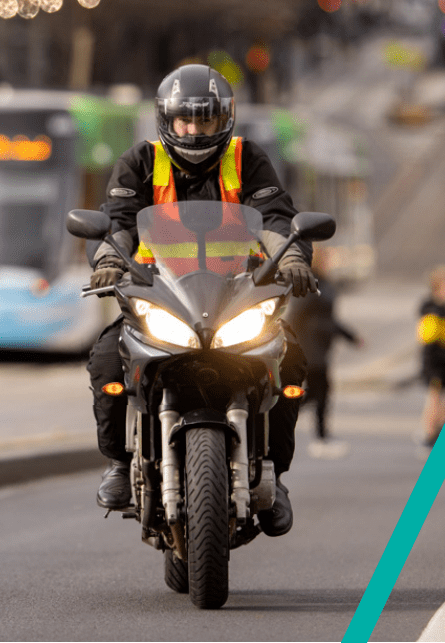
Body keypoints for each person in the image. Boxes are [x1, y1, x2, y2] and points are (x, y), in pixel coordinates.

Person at [86, 64, 318, 537]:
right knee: (107, 360)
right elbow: (119, 223)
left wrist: (292, 257)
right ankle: (116, 462)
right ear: (166, 121)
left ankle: (277, 470)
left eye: (205, 121)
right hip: (161, 295)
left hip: (236, 294)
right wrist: (109, 260)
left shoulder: (248, 159)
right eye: (184, 121)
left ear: (224, 120)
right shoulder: (140, 162)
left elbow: (275, 218)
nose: (194, 130)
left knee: (290, 362)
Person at [284, 246, 363, 459]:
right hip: (309, 346)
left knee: (319, 392)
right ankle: (316, 434)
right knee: (319, 392)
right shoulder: (309, 283)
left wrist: (351, 337)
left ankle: (317, 433)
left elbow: (329, 318)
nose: (332, 262)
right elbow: (295, 314)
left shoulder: (324, 282)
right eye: (328, 258)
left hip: (320, 345)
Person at [417, 265, 445, 449]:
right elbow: (428, 337)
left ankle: (441, 432)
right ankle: (429, 435)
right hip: (435, 361)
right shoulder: (431, 308)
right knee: (434, 398)